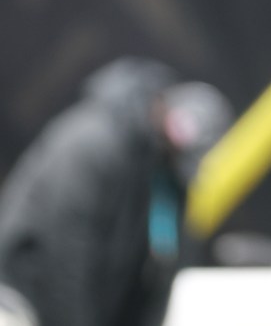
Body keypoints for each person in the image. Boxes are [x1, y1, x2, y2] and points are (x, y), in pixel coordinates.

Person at [0, 57, 234, 326]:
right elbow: (65, 256)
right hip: (21, 302)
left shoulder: (164, 180)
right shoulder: (93, 142)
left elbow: (159, 275)